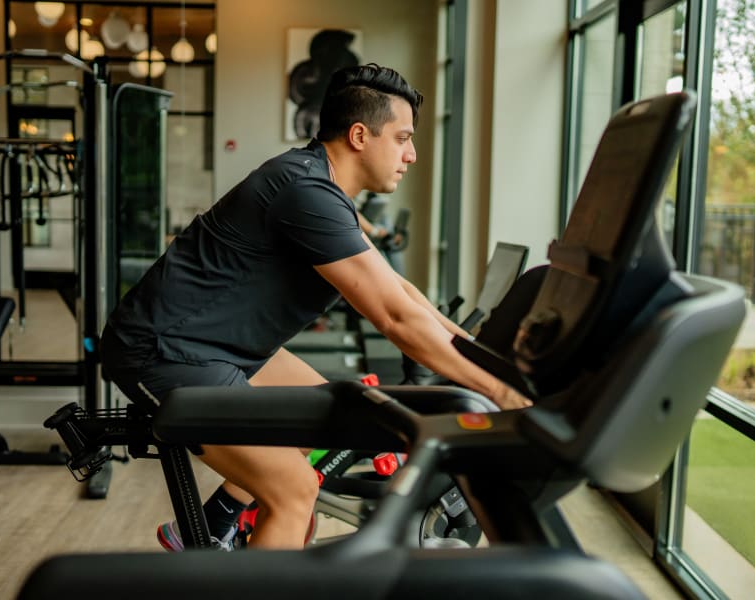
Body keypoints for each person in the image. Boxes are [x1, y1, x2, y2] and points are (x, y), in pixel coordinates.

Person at [99, 63, 532, 553]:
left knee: (332, 420)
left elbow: (402, 292)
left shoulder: (323, 186)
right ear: (360, 135)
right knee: (294, 490)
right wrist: (503, 394)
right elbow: (393, 318)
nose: (411, 154)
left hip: (224, 347)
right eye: (403, 138)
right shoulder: (305, 191)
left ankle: (212, 524)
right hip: (163, 350)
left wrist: (478, 356)